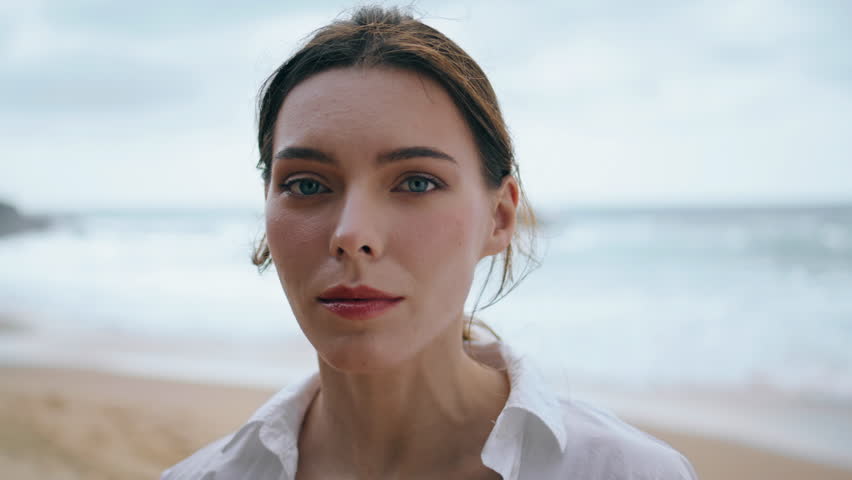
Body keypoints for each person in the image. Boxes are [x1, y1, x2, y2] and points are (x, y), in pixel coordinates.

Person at [162, 5, 697, 479]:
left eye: (416, 182)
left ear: (500, 216)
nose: (352, 236)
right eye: (306, 185)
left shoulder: (624, 472)